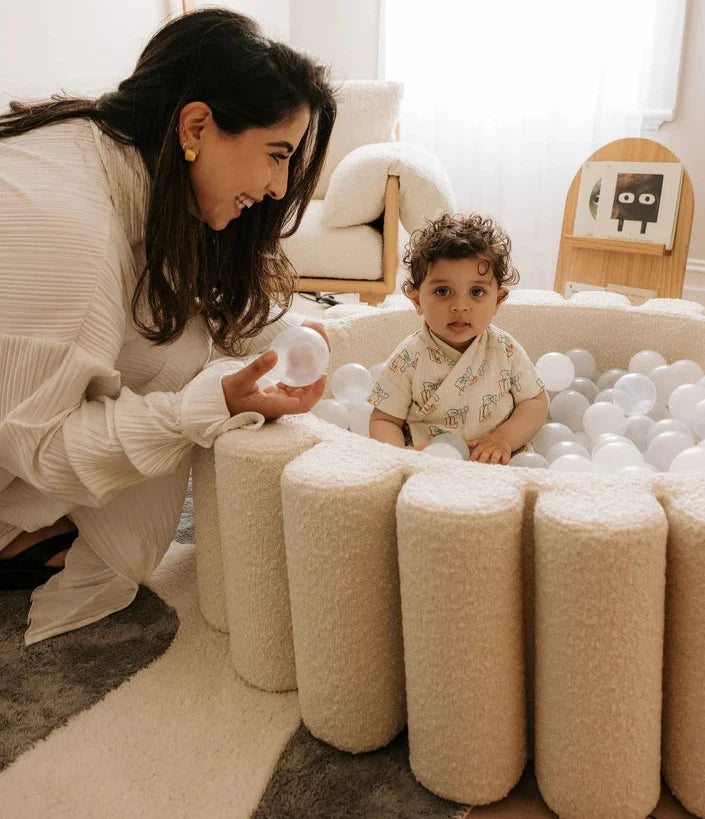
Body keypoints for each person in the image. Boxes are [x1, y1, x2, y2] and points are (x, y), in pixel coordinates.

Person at [0, 8, 337, 644]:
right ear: (197, 125)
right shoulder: (77, 231)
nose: (278, 185)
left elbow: (198, 312)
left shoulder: (115, 157)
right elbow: (41, 447)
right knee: (180, 365)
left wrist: (300, 333)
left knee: (179, 340)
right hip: (23, 439)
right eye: (276, 154)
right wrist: (202, 406)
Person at [368, 213, 548, 464]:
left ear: (498, 300)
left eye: (477, 292)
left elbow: (535, 401)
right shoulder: (409, 357)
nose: (460, 306)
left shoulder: (503, 349)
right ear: (417, 299)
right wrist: (401, 457)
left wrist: (504, 438)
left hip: (497, 461)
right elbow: (384, 419)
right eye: (443, 291)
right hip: (431, 464)